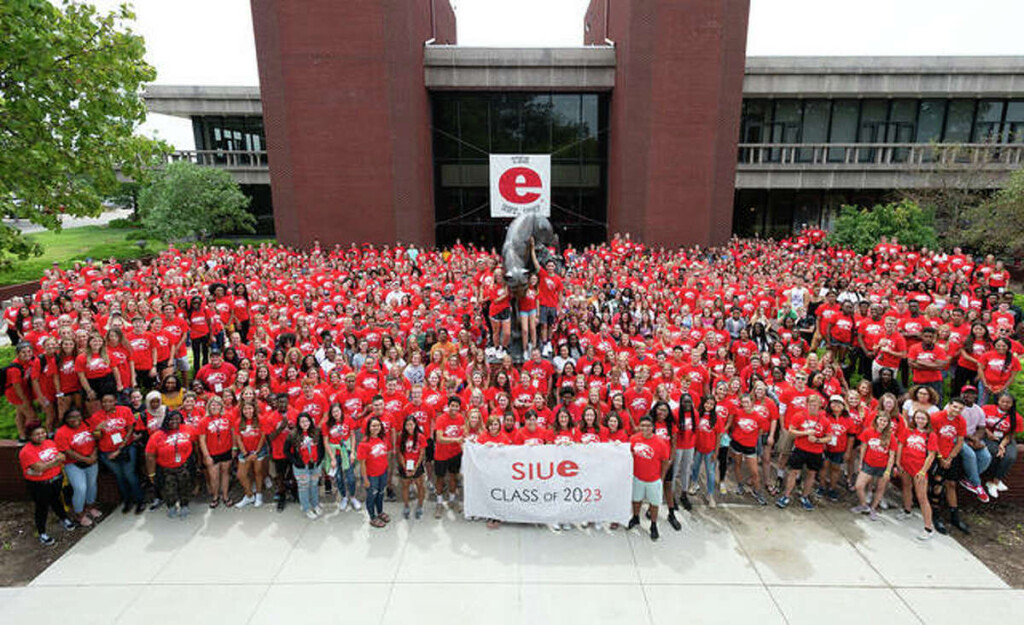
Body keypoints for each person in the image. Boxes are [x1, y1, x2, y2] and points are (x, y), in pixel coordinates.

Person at [20, 421, 74, 545]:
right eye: (37, 434)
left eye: (43, 432)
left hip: (56, 478)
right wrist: (55, 461)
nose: (41, 436)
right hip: (39, 484)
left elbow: (61, 456)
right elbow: (39, 468)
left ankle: (64, 519)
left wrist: (51, 463)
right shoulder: (26, 451)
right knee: (41, 508)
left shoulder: (50, 443)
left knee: (56, 501)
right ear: (29, 436)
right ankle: (42, 533)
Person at [89, 393, 144, 514]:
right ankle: (127, 501)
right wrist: (98, 428)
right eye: (104, 401)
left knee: (130, 474)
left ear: (115, 401)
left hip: (126, 448)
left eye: (110, 401)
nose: (107, 404)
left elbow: (130, 429)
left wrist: (120, 448)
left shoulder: (125, 410)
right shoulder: (96, 417)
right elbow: (96, 437)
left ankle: (139, 500)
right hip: (107, 452)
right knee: (120, 477)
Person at [776, 394, 830, 511]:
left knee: (811, 474)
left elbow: (829, 437)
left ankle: (805, 497)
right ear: (807, 405)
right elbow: (791, 431)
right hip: (800, 449)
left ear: (820, 406)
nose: (813, 407)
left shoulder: (825, 420)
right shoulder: (799, 416)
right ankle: (786, 496)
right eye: (810, 405)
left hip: (816, 451)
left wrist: (817, 440)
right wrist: (805, 433)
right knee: (793, 472)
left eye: (815, 405)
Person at [54, 409, 102, 527]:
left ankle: (90, 507)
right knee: (80, 488)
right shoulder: (61, 432)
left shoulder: (86, 425)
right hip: (73, 463)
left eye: (78, 416)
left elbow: (96, 440)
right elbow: (68, 452)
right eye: (72, 417)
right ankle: (79, 514)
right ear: (65, 419)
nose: (76, 420)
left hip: (91, 459)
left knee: (92, 485)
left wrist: (94, 455)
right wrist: (86, 459)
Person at [145, 410, 197, 518]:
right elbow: (150, 455)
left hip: (184, 465)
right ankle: (172, 506)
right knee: (168, 489)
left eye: (177, 419)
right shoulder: (157, 435)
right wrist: (151, 473)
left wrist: (198, 462)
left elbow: (195, 444)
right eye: (171, 419)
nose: (175, 421)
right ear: (166, 420)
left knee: (185, 486)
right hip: (166, 468)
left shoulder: (188, 429)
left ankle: (184, 505)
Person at [897, 409, 938, 540]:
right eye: (918, 418)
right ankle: (907, 510)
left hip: (919, 468)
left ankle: (928, 527)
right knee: (906, 487)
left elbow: (931, 454)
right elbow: (900, 445)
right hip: (905, 464)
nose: (920, 421)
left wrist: (923, 471)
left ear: (927, 421)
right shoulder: (908, 430)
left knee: (922, 497)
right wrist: (898, 462)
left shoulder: (930, 435)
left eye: (923, 418)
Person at [628, 415, 671, 541]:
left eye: (648, 426)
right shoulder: (634, 439)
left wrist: (661, 478)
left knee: (654, 503)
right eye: (643, 425)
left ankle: (653, 525)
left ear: (653, 427)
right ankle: (636, 518)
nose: (645, 428)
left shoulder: (660, 443)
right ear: (639, 426)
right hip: (637, 477)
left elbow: (665, 461)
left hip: (653, 479)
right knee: (636, 500)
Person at [930, 397, 969, 534]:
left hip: (951, 456)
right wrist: (940, 458)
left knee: (951, 484)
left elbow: (959, 441)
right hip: (936, 455)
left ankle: (954, 516)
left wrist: (950, 458)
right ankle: (935, 515)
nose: (957, 410)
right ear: (949, 406)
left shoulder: (961, 421)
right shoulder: (936, 417)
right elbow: (932, 439)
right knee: (937, 485)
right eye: (955, 407)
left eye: (960, 409)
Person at [850, 412, 896, 520]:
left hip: (883, 466)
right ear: (876, 420)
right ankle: (864, 505)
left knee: (880, 488)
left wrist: (888, 471)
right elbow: (863, 448)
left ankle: (873, 508)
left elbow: (891, 455)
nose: (882, 423)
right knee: (859, 486)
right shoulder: (868, 432)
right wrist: (861, 462)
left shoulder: (891, 436)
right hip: (868, 464)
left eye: (885, 421)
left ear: (888, 423)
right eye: (881, 420)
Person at [286, 412, 329, 519]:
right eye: (302, 421)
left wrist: (320, 459)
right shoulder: (293, 435)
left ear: (311, 421)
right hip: (301, 467)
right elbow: (286, 451)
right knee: (303, 487)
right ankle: (306, 508)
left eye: (307, 421)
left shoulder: (316, 432)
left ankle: (315, 504)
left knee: (314, 485)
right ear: (298, 423)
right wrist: (296, 462)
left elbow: (322, 448)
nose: (305, 423)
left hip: (314, 465)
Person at [981, 392, 1021, 499]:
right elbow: (979, 423)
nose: (1005, 404)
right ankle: (989, 480)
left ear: (1012, 404)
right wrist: (987, 432)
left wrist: (1002, 445)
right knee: (995, 453)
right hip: (988, 436)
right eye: (1002, 401)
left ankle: (996, 481)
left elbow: (1011, 434)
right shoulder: (987, 409)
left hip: (1005, 438)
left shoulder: (1016, 417)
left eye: (1008, 402)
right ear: (998, 401)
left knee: (1010, 456)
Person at [198, 395, 235, 508]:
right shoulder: (204, 421)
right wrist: (206, 456)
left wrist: (234, 448)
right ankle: (215, 497)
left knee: (225, 473)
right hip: (212, 453)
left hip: (226, 450)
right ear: (209, 406)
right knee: (214, 476)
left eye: (218, 404)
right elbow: (202, 440)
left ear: (221, 406)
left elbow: (233, 433)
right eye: (213, 404)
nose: (215, 406)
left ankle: (225, 496)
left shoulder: (228, 416)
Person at [433, 396, 465, 518]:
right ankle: (439, 502)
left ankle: (452, 500)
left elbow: (463, 433)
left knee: (453, 477)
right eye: (452, 406)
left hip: (455, 453)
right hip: (441, 454)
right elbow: (439, 438)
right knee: (440, 478)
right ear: (448, 406)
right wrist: (454, 439)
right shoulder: (441, 419)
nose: (454, 408)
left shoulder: (461, 418)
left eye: (456, 406)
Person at [358, 415, 391, 527]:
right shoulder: (364, 444)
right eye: (373, 426)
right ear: (369, 428)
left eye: (378, 425)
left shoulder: (383, 439)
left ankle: (380, 512)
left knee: (381, 493)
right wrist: (365, 479)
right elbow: (362, 464)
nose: (376, 428)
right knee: (372, 496)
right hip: (372, 475)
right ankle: (372, 517)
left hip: (383, 473)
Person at [234, 400, 267, 508]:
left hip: (259, 450)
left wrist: (256, 452)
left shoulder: (260, 419)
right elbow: (238, 439)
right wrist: (245, 453)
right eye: (245, 409)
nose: (248, 411)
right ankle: (249, 495)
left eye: (250, 408)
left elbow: (263, 437)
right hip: (245, 452)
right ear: (242, 411)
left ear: (254, 409)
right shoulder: (238, 422)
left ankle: (259, 494)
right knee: (241, 475)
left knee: (258, 473)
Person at [396, 415, 427, 520]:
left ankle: (420, 505)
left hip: (417, 465)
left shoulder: (420, 437)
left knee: (420, 486)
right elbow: (400, 453)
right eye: (407, 425)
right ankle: (406, 506)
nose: (409, 427)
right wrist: (405, 467)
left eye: (411, 424)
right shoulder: (401, 437)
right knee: (405, 486)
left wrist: (415, 468)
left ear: (415, 425)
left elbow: (422, 453)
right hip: (405, 465)